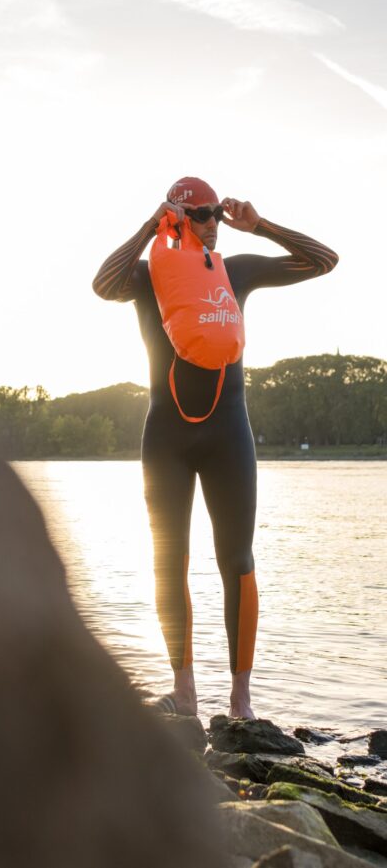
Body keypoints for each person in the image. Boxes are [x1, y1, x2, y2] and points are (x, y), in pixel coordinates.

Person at [92, 177, 338, 719]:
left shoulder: (235, 271)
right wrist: (147, 226)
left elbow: (324, 260)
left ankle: (241, 701)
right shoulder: (147, 276)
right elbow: (102, 285)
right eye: (199, 214)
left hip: (230, 434)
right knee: (167, 562)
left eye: (215, 215)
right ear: (177, 218)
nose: (210, 223)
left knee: (238, 561)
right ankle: (184, 692)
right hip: (167, 437)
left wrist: (261, 224)